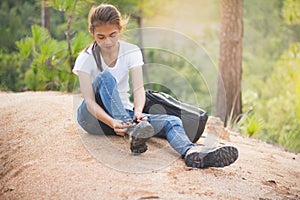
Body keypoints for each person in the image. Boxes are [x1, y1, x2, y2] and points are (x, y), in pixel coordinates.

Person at [73, 3, 238, 168]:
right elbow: (89, 101)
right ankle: (132, 130)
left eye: (113, 35)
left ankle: (191, 154)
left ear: (120, 30)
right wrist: (111, 122)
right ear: (92, 32)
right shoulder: (85, 58)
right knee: (105, 77)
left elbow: (138, 89)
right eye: (101, 37)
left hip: (124, 116)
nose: (107, 41)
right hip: (92, 118)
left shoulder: (131, 51)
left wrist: (138, 113)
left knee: (171, 121)